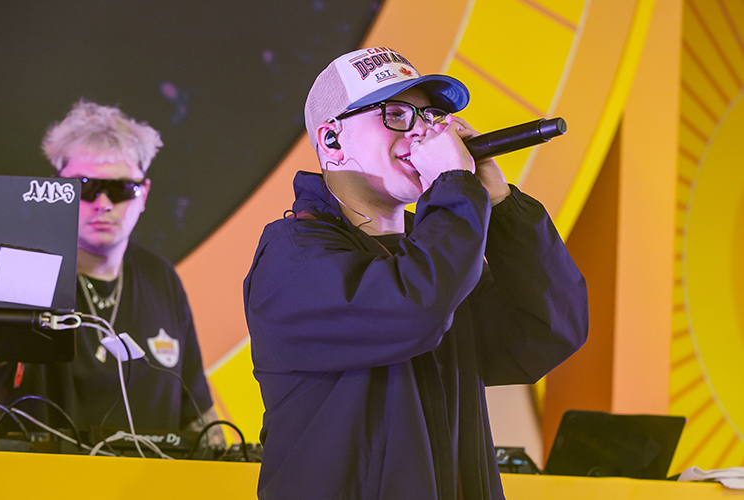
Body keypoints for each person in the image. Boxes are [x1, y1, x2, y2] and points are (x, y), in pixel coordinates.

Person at [242, 47, 589, 499]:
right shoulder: (293, 257)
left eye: (431, 116)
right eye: (396, 114)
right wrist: (452, 186)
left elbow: (547, 332)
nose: (423, 131)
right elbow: (414, 307)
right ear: (331, 140)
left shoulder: (433, 253)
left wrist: (501, 204)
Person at [0, 100, 223, 448]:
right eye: (85, 187)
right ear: (57, 190)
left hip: (149, 476)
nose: (102, 204)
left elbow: (197, 413)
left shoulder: (161, 277)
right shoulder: (19, 270)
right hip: (42, 474)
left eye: (120, 190)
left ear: (143, 194)